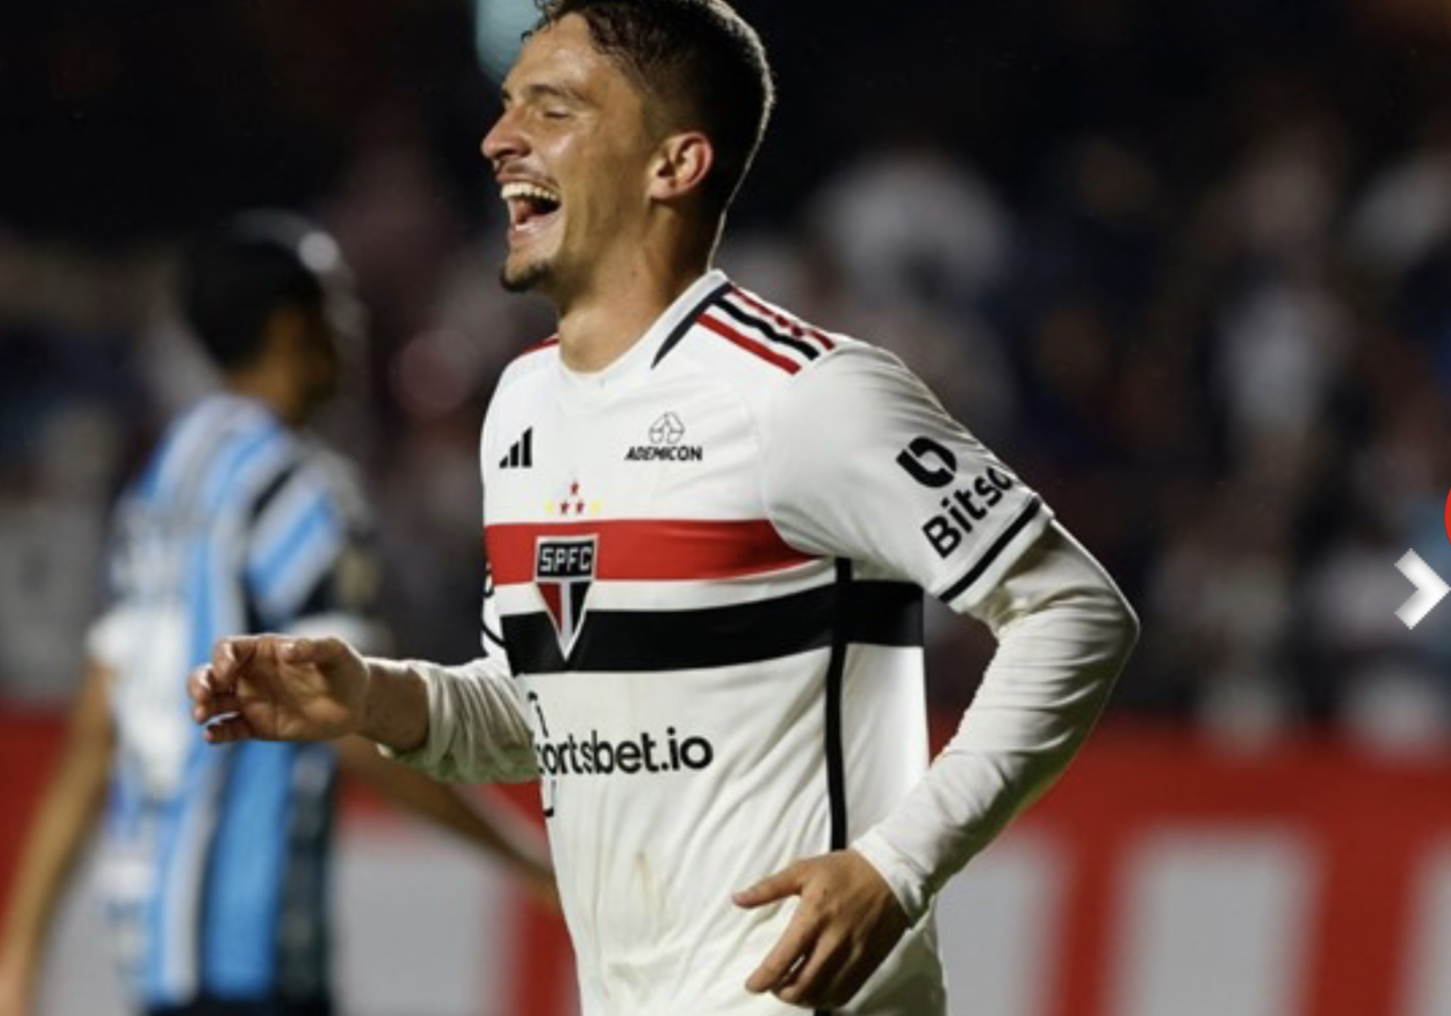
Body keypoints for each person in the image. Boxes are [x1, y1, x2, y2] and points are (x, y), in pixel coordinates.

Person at [191, 3, 1139, 1015]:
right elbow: (552, 707)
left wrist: (895, 867)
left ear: (672, 165)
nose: (497, 138)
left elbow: (1074, 612)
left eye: (551, 109)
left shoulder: (804, 395)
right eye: (507, 107)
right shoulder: (522, 406)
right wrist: (374, 697)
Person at [0, 212, 553, 1016]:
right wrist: (527, 862)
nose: (354, 327)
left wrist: (14, 955)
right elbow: (359, 728)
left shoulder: (165, 481)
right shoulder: (300, 493)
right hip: (249, 942)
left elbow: (98, 724)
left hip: (157, 946)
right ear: (289, 327)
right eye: (337, 305)